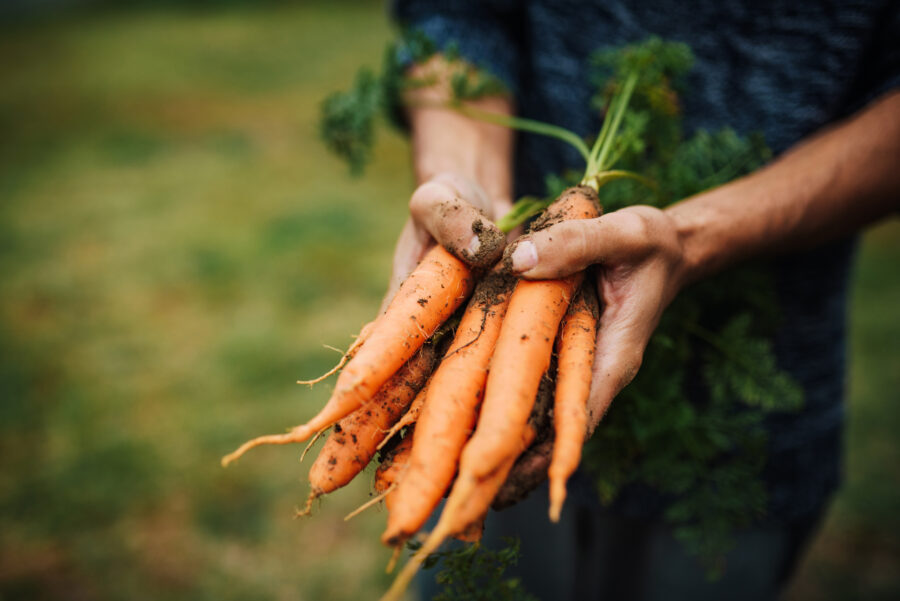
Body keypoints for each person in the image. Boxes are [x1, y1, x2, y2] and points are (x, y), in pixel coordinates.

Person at [384, 1, 900, 599]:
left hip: (733, 427)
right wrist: (463, 191)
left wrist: (688, 238)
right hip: (485, 407)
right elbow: (454, 14)